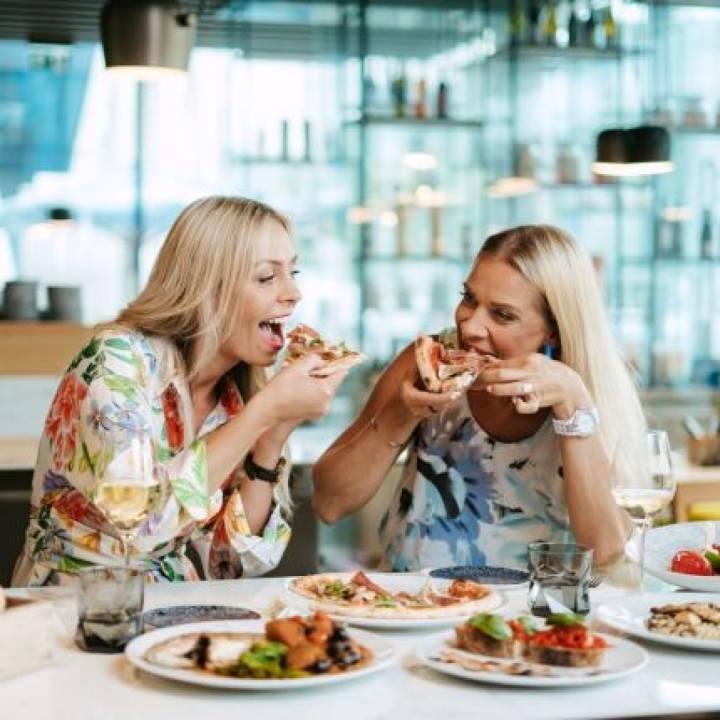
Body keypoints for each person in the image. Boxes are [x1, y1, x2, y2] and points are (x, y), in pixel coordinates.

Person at [13, 196, 348, 586]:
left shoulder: (235, 398)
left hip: (173, 609)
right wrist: (267, 410)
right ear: (206, 287)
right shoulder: (118, 361)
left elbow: (230, 562)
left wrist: (275, 431)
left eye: (293, 272)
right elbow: (139, 525)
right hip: (72, 606)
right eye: (266, 277)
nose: (294, 294)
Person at [313, 224, 644, 570]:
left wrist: (573, 407)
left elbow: (606, 551)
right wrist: (400, 411)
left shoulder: (588, 394)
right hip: (411, 604)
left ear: (555, 331)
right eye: (469, 298)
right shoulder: (427, 360)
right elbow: (329, 503)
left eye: (502, 314)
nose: (469, 326)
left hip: (532, 615)